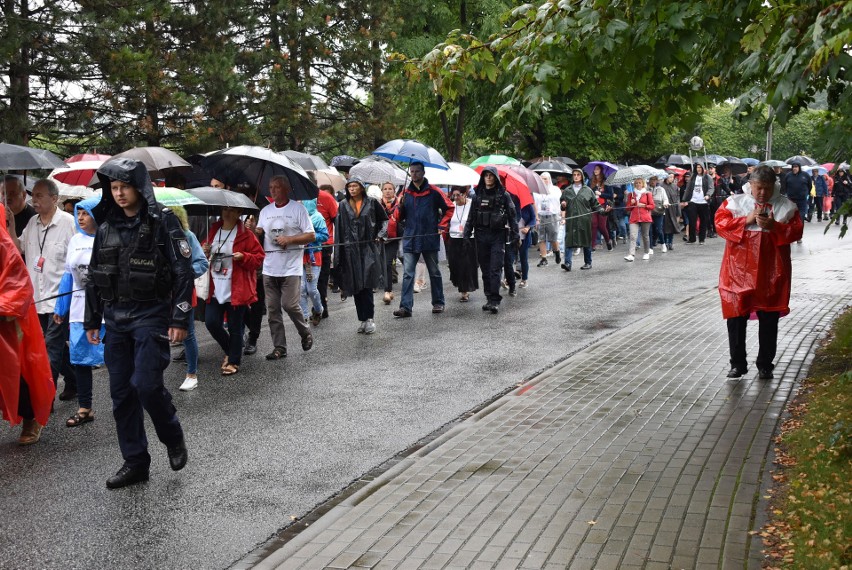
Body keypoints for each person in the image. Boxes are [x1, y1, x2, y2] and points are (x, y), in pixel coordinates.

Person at [85, 158, 192, 488]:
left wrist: (180, 317)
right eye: (113, 188)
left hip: (151, 316)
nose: (118, 194)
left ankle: (172, 436)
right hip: (115, 319)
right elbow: (93, 276)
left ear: (138, 188)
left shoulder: (164, 222)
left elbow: (182, 271)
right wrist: (92, 320)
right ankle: (135, 462)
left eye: (124, 187)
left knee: (146, 386)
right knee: (121, 395)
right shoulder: (104, 228)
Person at [715, 166, 803, 379]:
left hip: (771, 272)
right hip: (738, 271)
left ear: (774, 186)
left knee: (769, 318)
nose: (762, 192)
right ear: (751, 185)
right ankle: (737, 363)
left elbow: (796, 231)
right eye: (758, 188)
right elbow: (720, 224)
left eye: (767, 188)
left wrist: (775, 227)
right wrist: (745, 220)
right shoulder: (735, 203)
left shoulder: (786, 206)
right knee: (736, 317)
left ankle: (765, 363)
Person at [0, 202, 55, 445]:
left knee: (18, 372)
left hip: (8, 325)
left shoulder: (5, 246)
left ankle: (31, 418)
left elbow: (19, 286)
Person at [20, 178, 78, 400]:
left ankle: (45, 399)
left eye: (39, 195)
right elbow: (19, 248)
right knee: (56, 347)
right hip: (37, 298)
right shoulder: (31, 223)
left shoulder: (68, 223)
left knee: (49, 349)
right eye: (33, 195)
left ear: (54, 199)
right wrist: (9, 225)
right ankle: (73, 382)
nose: (33, 200)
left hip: (59, 299)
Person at [53, 197, 105, 427]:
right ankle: (85, 408)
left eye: (86, 213)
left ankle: (130, 405)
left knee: (119, 360)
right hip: (78, 310)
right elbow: (68, 275)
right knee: (81, 361)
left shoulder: (108, 237)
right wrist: (61, 307)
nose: (81, 217)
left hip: (107, 311)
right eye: (79, 213)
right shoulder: (75, 239)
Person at [255, 175, 316, 360]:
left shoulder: (298, 209)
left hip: (290, 267)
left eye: (277, 187)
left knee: (289, 305)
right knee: (273, 310)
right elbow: (258, 237)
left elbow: (311, 235)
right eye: (271, 187)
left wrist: (289, 239)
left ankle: (305, 332)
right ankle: (279, 347)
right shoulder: (265, 211)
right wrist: (253, 231)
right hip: (269, 267)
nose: (273, 190)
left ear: (287, 189)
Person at [202, 206, 265, 376]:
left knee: (235, 327)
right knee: (211, 322)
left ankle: (233, 361)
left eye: (232, 210)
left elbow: (258, 258)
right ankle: (231, 350)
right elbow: (205, 252)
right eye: (224, 210)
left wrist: (244, 257)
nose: (227, 213)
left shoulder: (246, 234)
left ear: (239, 213)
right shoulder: (214, 229)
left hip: (237, 289)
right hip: (215, 287)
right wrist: (205, 249)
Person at [387, 162, 454, 318]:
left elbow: (449, 208)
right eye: (412, 172)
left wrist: (442, 226)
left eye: (417, 171)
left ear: (423, 173)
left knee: (434, 272)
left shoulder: (434, 191)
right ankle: (405, 307)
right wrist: (400, 205)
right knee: (408, 274)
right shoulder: (405, 193)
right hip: (410, 237)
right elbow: (397, 217)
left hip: (429, 237)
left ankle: (438, 302)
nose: (414, 174)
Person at [335, 177, 388, 333]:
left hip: (368, 249)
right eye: (349, 186)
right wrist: (339, 252)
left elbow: (384, 220)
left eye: (355, 186)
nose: (352, 189)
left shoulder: (372, 202)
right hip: (351, 251)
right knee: (356, 285)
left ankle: (370, 318)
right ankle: (362, 319)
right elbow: (339, 228)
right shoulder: (343, 206)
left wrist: (380, 234)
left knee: (366, 284)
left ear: (361, 188)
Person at [463, 166, 518, 314]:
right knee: (486, 270)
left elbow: (512, 215)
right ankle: (489, 298)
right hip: (481, 236)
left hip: (497, 236)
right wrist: (466, 235)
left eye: (491, 175)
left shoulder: (503, 195)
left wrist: (515, 233)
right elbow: (470, 217)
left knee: (495, 268)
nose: (488, 177)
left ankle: (495, 300)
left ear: (495, 177)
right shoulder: (477, 196)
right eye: (486, 175)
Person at [559, 168, 604, 270]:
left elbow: (596, 205)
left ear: (582, 176)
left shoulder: (588, 190)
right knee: (569, 240)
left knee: (586, 240)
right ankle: (567, 264)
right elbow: (562, 204)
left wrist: (603, 211)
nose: (576, 176)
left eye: (578, 175)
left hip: (585, 220)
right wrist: (563, 205)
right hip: (571, 220)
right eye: (574, 174)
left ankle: (588, 262)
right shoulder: (567, 191)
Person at [299, 199, 329, 326]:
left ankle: (318, 309)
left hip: (313, 256)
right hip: (299, 256)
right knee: (301, 289)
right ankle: (304, 317)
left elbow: (325, 236)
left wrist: (311, 236)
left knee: (311, 289)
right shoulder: (297, 217)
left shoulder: (318, 217)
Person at [445, 186, 478, 301]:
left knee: (466, 265)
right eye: (454, 195)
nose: (456, 198)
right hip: (454, 238)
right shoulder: (451, 205)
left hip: (469, 239)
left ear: (465, 194)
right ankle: (460, 285)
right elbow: (445, 220)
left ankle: (464, 291)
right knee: (454, 265)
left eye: (458, 195)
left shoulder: (472, 204)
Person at [315, 184, 339, 317]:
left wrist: (340, 244)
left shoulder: (326, 198)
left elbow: (337, 220)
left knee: (321, 278)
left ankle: (322, 307)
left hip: (324, 244)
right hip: (303, 245)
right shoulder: (298, 199)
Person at [680, 163, 712, 244]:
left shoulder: (707, 177)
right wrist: (684, 200)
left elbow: (711, 188)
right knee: (692, 221)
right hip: (693, 201)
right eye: (697, 167)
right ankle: (692, 239)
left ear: (703, 168)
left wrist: (708, 195)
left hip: (703, 202)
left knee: (703, 221)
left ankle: (701, 239)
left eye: (700, 167)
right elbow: (688, 189)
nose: (698, 169)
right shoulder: (693, 177)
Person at [534, 172, 561, 266]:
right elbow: (535, 204)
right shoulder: (536, 190)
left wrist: (547, 193)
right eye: (541, 179)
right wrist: (536, 217)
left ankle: (557, 252)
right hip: (541, 215)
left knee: (553, 238)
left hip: (552, 215)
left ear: (549, 179)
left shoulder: (555, 189)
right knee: (541, 238)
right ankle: (544, 258)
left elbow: (557, 200)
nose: (543, 181)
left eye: (545, 179)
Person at [624, 177, 654, 262]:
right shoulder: (631, 194)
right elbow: (627, 208)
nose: (638, 184)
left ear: (643, 184)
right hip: (634, 218)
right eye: (636, 183)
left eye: (640, 183)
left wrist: (644, 205)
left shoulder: (648, 193)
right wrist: (631, 203)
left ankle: (646, 252)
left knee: (645, 236)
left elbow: (652, 206)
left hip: (645, 217)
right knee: (633, 236)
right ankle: (631, 254)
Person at [379, 181, 399, 304]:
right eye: (385, 189)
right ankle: (389, 290)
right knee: (382, 265)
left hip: (393, 239)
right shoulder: (378, 204)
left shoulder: (399, 205)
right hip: (380, 239)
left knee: (387, 264)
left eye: (390, 189)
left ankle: (387, 291)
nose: (387, 191)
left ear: (394, 191)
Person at [588, 165, 613, 251]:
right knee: (593, 224)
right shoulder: (591, 181)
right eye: (594, 169)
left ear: (601, 170)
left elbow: (610, 195)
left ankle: (608, 241)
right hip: (593, 206)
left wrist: (601, 194)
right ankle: (592, 245)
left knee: (602, 226)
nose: (595, 170)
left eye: (597, 169)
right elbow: (587, 192)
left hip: (603, 206)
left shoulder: (606, 182)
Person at [783, 162, 812, 228]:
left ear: (799, 168)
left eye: (796, 167)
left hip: (802, 199)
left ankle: (799, 229)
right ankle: (792, 229)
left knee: (801, 215)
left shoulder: (805, 175)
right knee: (791, 215)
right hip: (791, 199)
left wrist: (806, 193)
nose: (794, 168)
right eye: (793, 167)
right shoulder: (788, 175)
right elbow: (784, 186)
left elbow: (809, 186)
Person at [660, 172, 682, 251]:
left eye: (672, 177)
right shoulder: (661, 186)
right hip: (664, 209)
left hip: (673, 209)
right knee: (665, 227)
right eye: (670, 177)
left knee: (673, 226)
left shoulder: (675, 186)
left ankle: (670, 242)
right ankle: (665, 242)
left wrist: (678, 212)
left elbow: (677, 199)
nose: (671, 179)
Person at [648, 175, 669, 252]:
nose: (653, 181)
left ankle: (663, 244)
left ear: (657, 180)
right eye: (651, 179)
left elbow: (665, 199)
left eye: (654, 179)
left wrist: (665, 203)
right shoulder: (646, 189)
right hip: (649, 212)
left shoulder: (661, 189)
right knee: (649, 230)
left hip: (659, 212)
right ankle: (650, 247)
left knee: (658, 229)